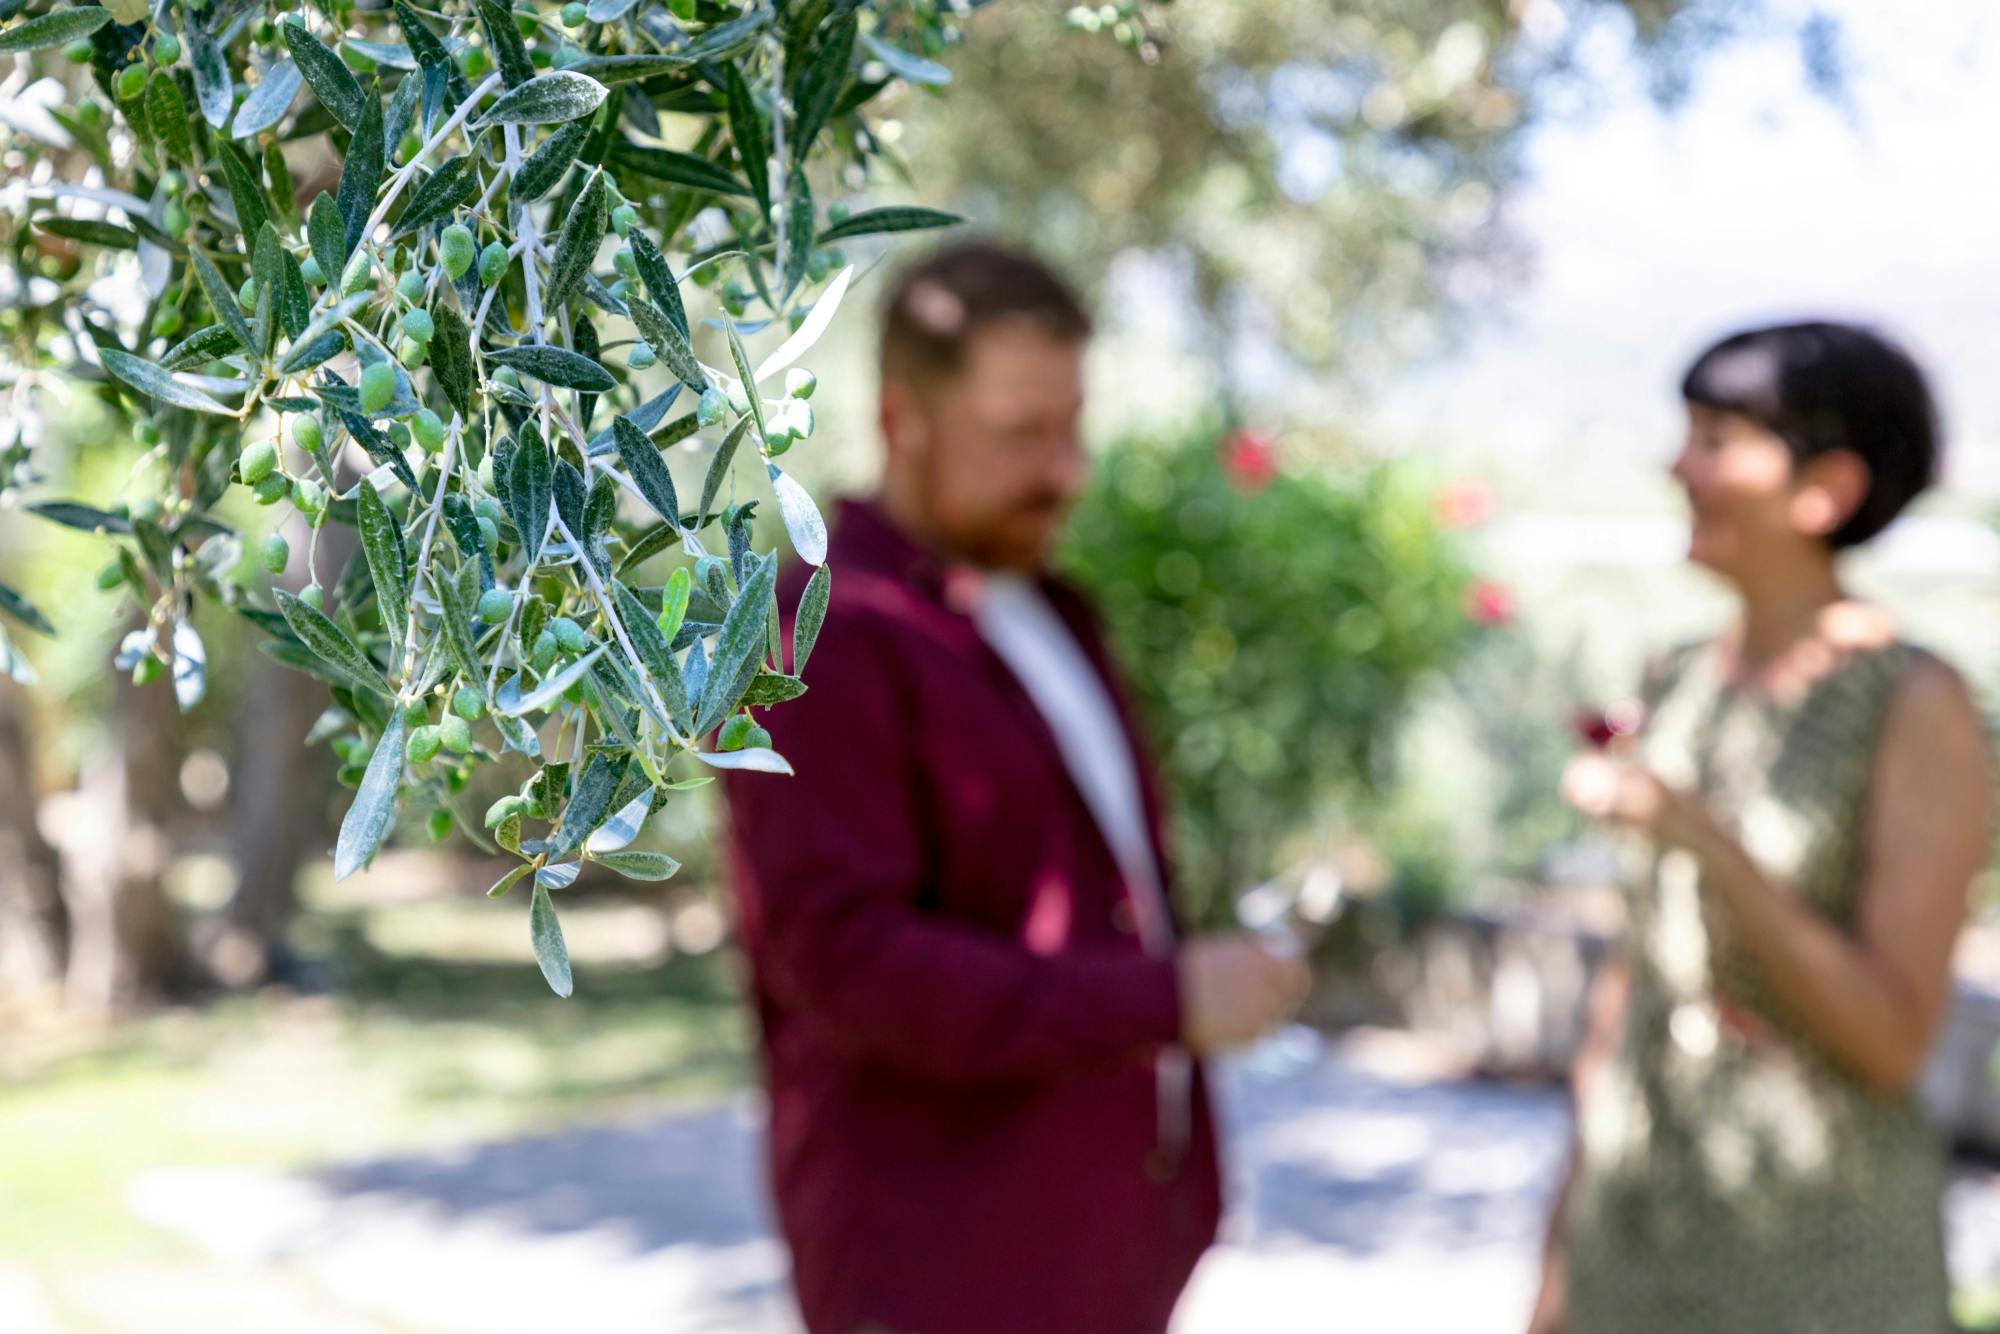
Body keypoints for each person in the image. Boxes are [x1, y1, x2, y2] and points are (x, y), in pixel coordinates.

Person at [724, 240, 1310, 1334]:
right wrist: (1166, 998)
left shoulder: (1053, 610)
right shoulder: (818, 634)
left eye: (1070, 426)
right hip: (939, 1271)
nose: (1065, 471)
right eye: (1020, 435)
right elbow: (843, 963)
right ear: (902, 421)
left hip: (1101, 1260)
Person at [1528, 321, 1994, 1333]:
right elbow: (1634, 981)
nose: (1677, 464)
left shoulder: (1913, 703)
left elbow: (1888, 1042)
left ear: (1823, 486)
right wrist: (1557, 1258)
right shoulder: (1677, 674)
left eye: (1713, 437)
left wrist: (1702, 838)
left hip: (1814, 1259)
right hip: (1632, 1231)